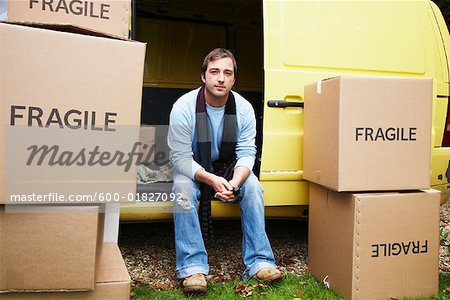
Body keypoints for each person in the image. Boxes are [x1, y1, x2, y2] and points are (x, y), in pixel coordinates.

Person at [168, 48, 281, 293]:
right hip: (194, 166)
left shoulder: (244, 108)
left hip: (228, 166)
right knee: (182, 187)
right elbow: (179, 157)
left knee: (252, 186)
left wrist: (235, 182)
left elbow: (247, 153)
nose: (221, 78)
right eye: (215, 72)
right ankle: (192, 268)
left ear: (234, 79)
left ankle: (260, 261)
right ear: (203, 76)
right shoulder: (183, 107)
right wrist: (210, 179)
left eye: (227, 73)